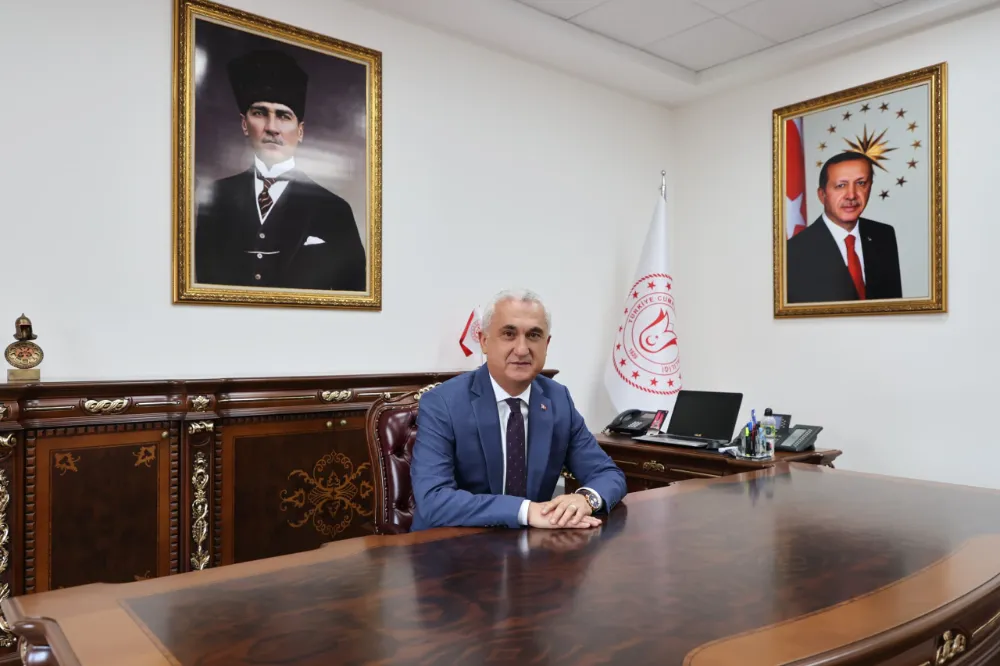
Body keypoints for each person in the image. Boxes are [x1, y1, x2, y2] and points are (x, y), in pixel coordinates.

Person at [410, 289, 627, 531]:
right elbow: (434, 500)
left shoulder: (557, 399)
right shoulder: (442, 403)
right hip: (451, 544)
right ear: (484, 341)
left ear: (546, 344)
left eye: (533, 335)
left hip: (532, 544)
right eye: (508, 334)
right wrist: (526, 511)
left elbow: (608, 474)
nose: (522, 349)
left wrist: (586, 499)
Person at [194, 49, 366, 292]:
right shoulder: (216, 196)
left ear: (300, 131)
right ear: (244, 124)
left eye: (284, 116)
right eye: (260, 113)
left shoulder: (334, 209)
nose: (272, 127)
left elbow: (354, 291)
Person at [786, 151, 902, 303]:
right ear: (822, 195)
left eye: (861, 183)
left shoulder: (883, 235)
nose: (851, 195)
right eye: (841, 185)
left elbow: (892, 306)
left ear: (870, 187)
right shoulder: (793, 252)